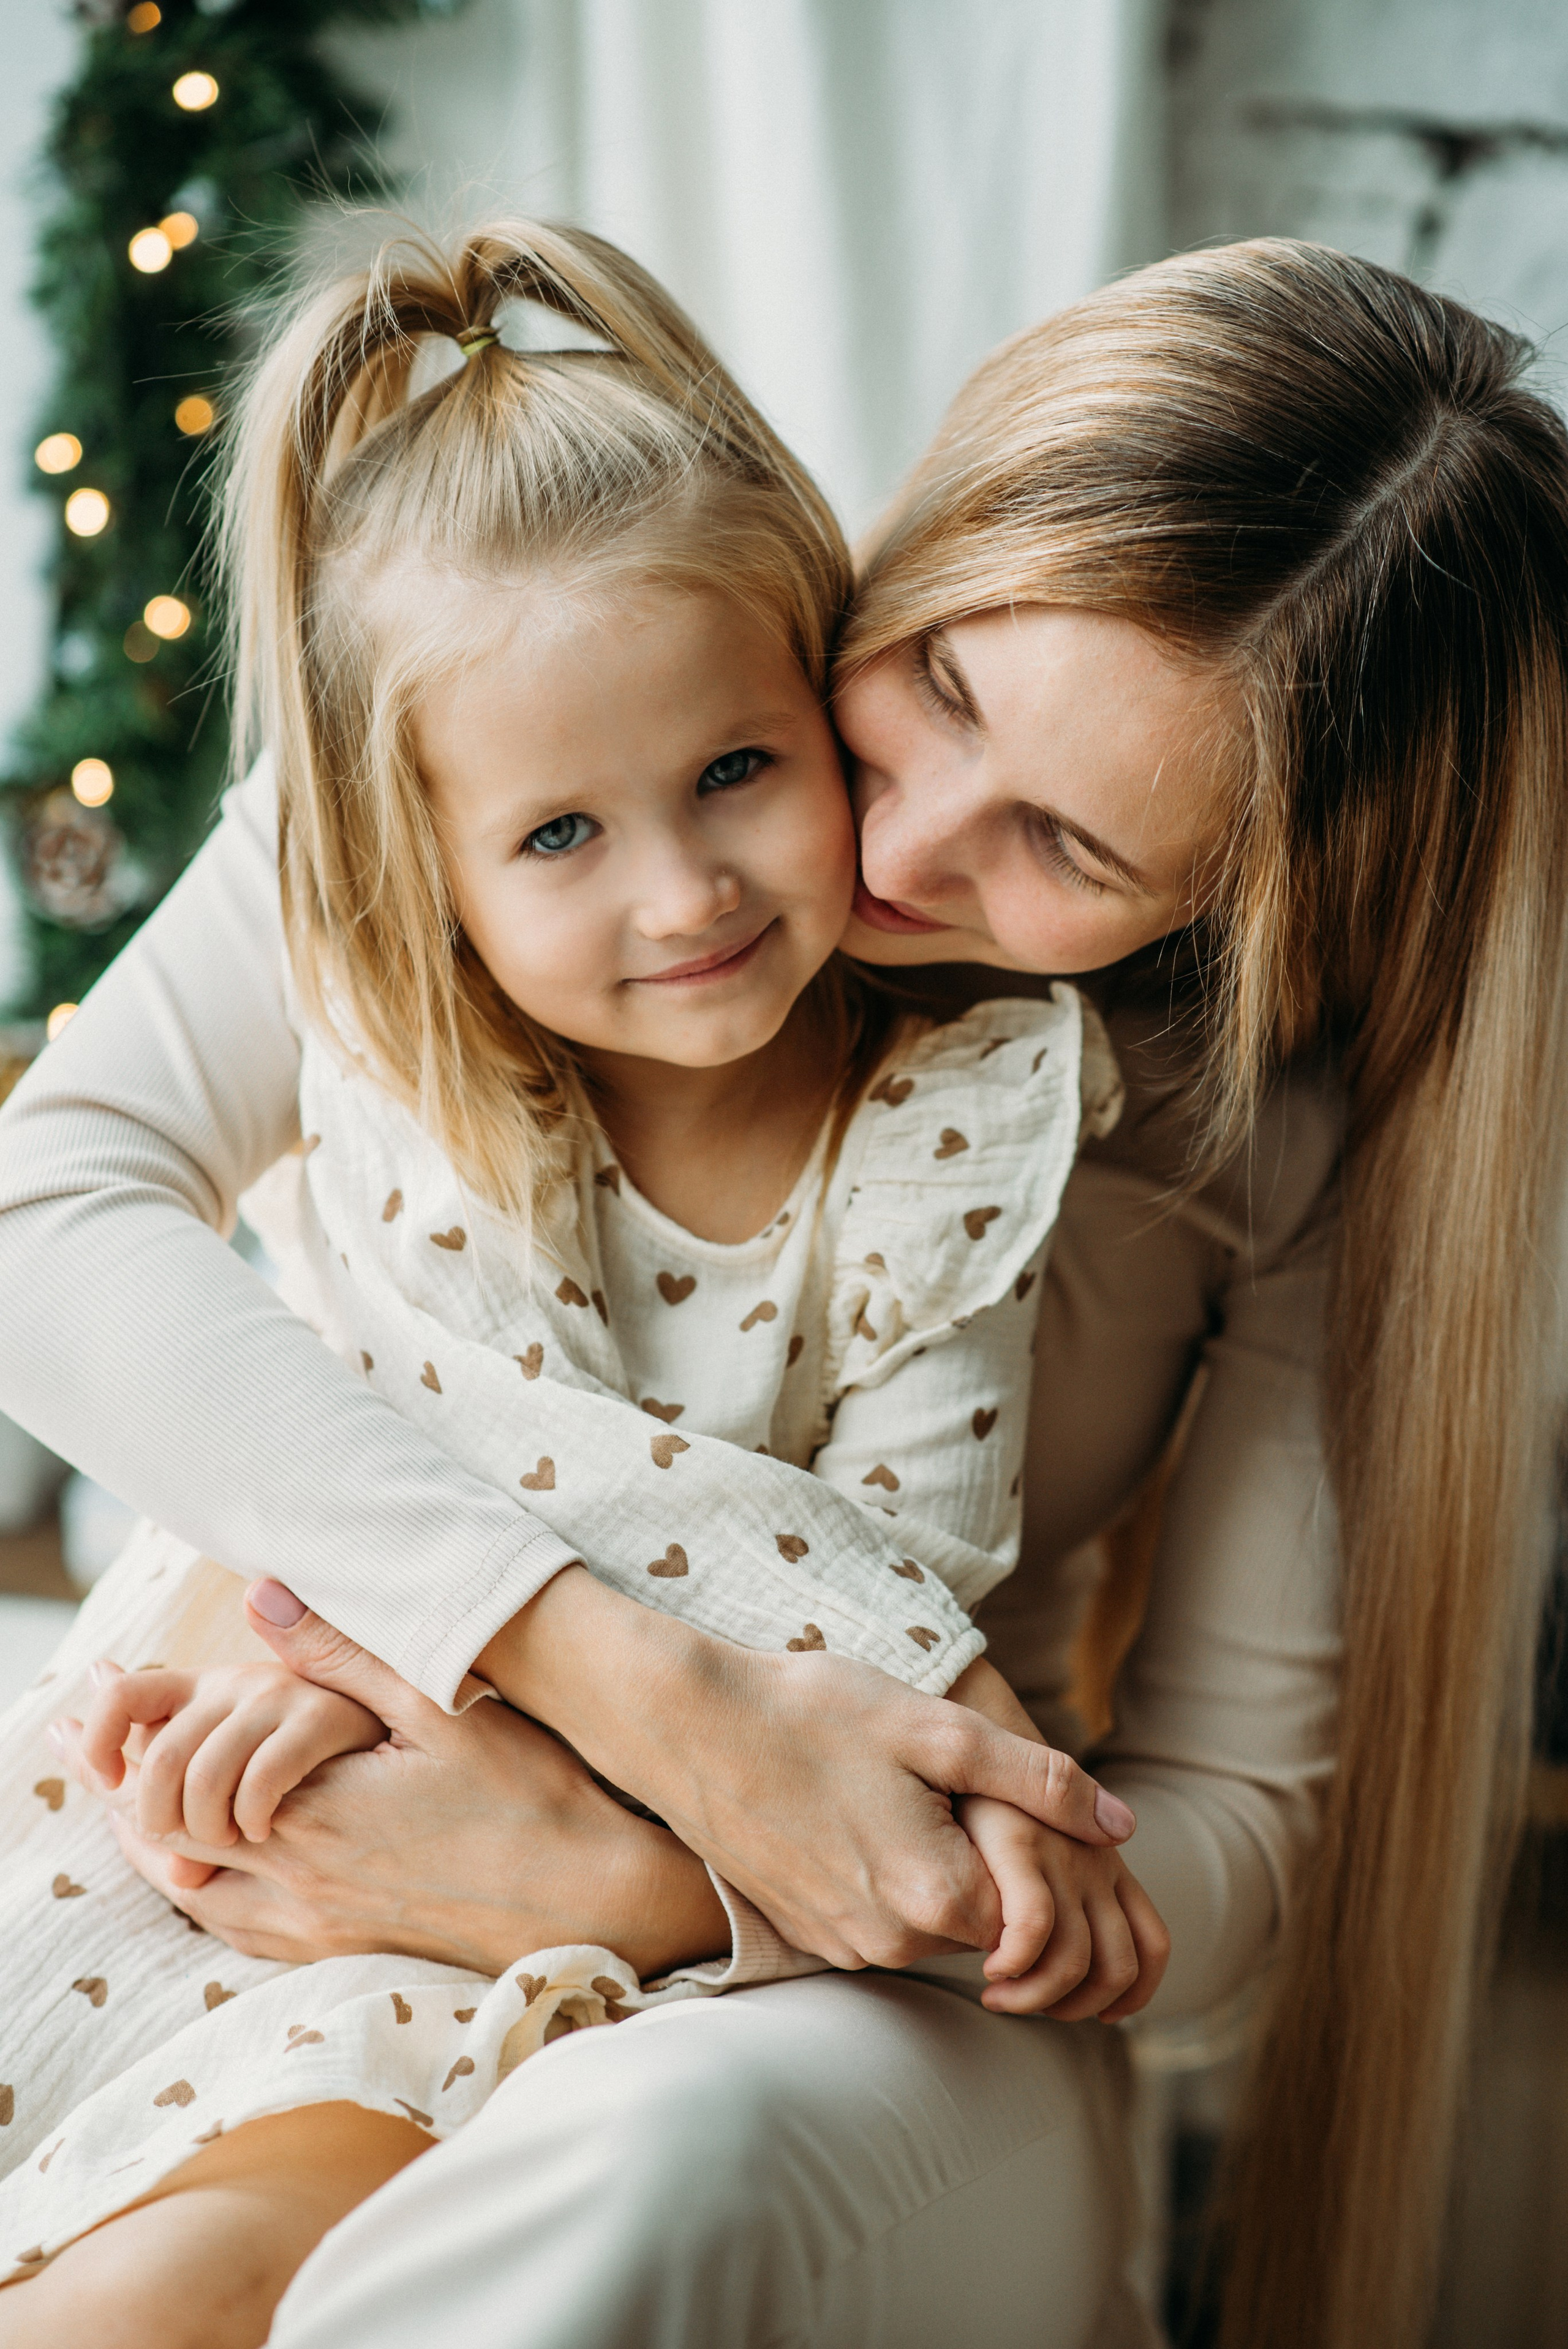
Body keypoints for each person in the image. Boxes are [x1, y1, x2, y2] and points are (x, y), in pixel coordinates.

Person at [2, 233, 1560, 2349]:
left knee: (646, 2179)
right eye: (929, 687)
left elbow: (1233, 1861)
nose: (899, 847)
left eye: (1070, 851)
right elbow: (55, 1203)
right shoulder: (551, 705)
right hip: (332, 1776)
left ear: (1243, 893)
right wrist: (617, 1678)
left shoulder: (1256, 1125)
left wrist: (655, 1875)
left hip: (894, 1973)